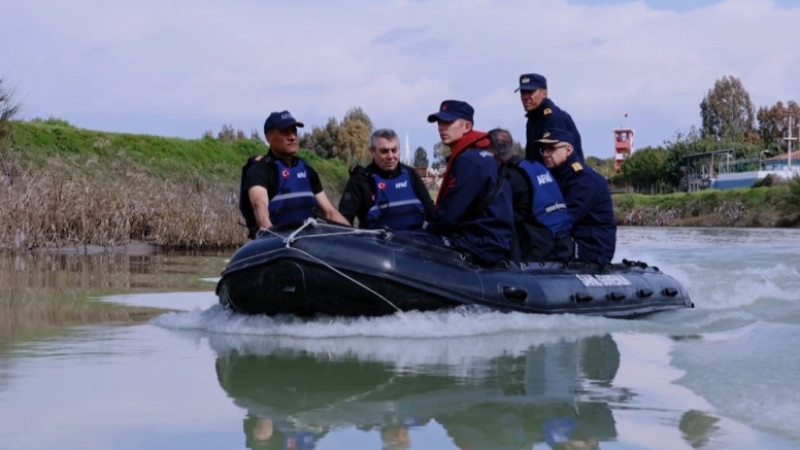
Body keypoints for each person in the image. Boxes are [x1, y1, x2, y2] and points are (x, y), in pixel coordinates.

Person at [405, 100, 514, 266]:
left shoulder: (469, 160)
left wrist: (428, 232)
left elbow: (449, 214)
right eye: (440, 122)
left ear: (467, 126)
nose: (441, 127)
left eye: (448, 122)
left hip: (477, 244)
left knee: (398, 240)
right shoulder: (482, 155)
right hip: (490, 240)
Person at [239, 110, 349, 238]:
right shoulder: (260, 170)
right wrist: (271, 235)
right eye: (285, 132)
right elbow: (260, 206)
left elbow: (330, 212)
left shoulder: (307, 170)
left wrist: (356, 235)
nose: (292, 137)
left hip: (308, 243)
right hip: (278, 243)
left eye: (294, 131)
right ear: (269, 138)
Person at [485, 128, 573, 262]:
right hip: (563, 242)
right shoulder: (536, 167)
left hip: (538, 247)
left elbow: (495, 214)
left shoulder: (510, 176)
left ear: (493, 152)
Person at [537, 128, 616, 265]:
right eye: (543, 149)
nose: (545, 154)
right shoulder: (556, 176)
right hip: (571, 241)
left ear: (568, 150)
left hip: (591, 249)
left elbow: (564, 220)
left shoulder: (584, 180)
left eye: (551, 149)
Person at [338, 128, 434, 230]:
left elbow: (431, 213)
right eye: (384, 151)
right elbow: (344, 221)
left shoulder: (411, 175)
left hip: (413, 243)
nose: (390, 156)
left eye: (394, 150)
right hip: (378, 244)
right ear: (372, 151)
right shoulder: (361, 180)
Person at [515, 73, 584, 164]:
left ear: (544, 93)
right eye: (523, 93)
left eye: (530, 92)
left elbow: (557, 160)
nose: (525, 97)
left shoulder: (553, 118)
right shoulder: (533, 118)